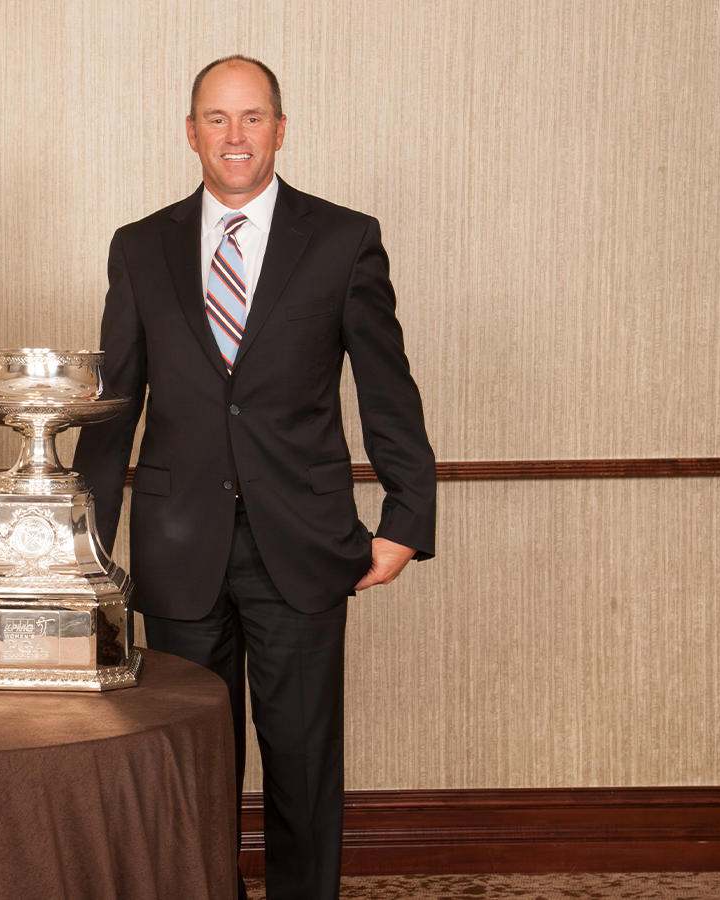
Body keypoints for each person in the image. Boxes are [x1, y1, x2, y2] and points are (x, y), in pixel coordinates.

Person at [72, 55, 436, 900]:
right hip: (176, 548)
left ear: (281, 127)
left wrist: (406, 518)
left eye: (252, 118)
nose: (234, 137)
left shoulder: (344, 239)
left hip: (304, 547)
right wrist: (81, 548)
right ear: (190, 130)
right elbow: (112, 407)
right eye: (216, 119)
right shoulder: (142, 245)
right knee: (190, 770)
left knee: (302, 766)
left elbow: (388, 387)